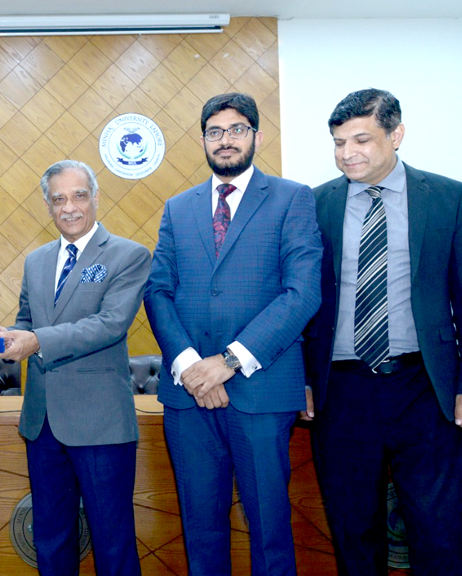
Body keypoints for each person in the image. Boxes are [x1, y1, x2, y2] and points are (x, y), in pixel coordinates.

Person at [302, 89, 462, 576]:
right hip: (341, 392)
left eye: (361, 139)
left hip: (424, 389)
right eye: (338, 142)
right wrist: (300, 379)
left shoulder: (448, 197)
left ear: (396, 134)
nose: (348, 153)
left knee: (437, 525)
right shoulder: (315, 203)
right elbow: (302, 304)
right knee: (352, 526)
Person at [144, 93, 322, 576]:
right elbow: (157, 292)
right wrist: (189, 366)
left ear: (257, 136)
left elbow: (302, 293)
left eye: (237, 129)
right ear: (203, 139)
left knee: (269, 529)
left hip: (261, 391)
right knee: (200, 531)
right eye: (215, 131)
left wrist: (228, 361)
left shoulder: (292, 198)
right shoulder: (177, 208)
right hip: (189, 398)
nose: (226, 140)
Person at [0, 160, 150, 575]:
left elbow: (110, 325)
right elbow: (28, 321)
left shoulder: (128, 255)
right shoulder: (37, 261)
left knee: (112, 541)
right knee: (51, 538)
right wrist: (4, 337)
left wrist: (38, 340)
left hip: (100, 423)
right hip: (42, 422)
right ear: (47, 206)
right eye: (58, 198)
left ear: (96, 197)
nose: (70, 207)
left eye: (79, 195)